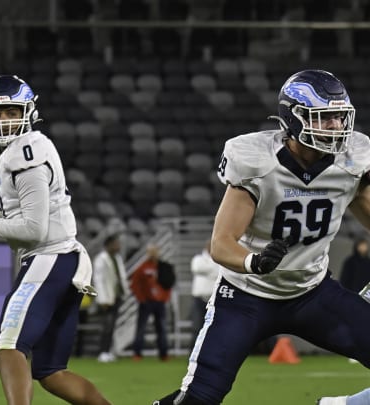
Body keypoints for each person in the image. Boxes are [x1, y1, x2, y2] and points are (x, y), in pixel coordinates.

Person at [154, 69, 370, 405]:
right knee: (198, 398)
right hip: (246, 297)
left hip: (312, 292)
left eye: (340, 118)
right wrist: (254, 261)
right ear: (293, 118)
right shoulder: (258, 161)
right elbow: (221, 244)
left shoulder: (352, 159)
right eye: (325, 118)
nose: (336, 127)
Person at [0, 75, 111, 405]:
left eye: (10, 112)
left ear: (28, 111)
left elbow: (34, 230)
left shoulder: (26, 152)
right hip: (62, 260)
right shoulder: (15, 151)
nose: (3, 120)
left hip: (50, 258)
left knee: (7, 350)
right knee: (51, 373)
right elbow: (28, 220)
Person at [130, 244, 173, 361]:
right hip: (146, 302)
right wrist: (141, 298)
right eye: (150, 251)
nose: (152, 254)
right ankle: (137, 353)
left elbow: (170, 283)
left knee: (162, 328)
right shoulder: (142, 267)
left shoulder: (165, 267)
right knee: (141, 328)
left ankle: (163, 354)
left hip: (160, 302)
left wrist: (165, 297)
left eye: (154, 251)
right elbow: (135, 284)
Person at [92, 233, 127, 363]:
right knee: (106, 325)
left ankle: (107, 351)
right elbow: (98, 280)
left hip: (117, 296)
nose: (118, 246)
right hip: (107, 298)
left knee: (112, 326)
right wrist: (102, 299)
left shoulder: (116, 258)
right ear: (109, 245)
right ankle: (102, 352)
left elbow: (121, 277)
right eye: (116, 243)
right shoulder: (101, 259)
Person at [189, 239, 220, 339]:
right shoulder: (198, 258)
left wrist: (207, 270)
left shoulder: (219, 259)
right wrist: (213, 269)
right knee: (197, 326)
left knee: (215, 327)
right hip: (199, 299)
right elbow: (197, 268)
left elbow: (219, 273)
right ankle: (193, 351)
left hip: (214, 299)